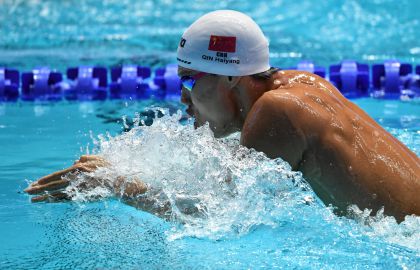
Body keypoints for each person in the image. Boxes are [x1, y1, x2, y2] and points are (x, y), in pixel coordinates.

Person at [25, 10, 419, 222]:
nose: (183, 98)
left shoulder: (277, 111)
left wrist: (122, 186)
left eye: (190, 80)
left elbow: (214, 217)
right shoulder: (300, 84)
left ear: (233, 75)